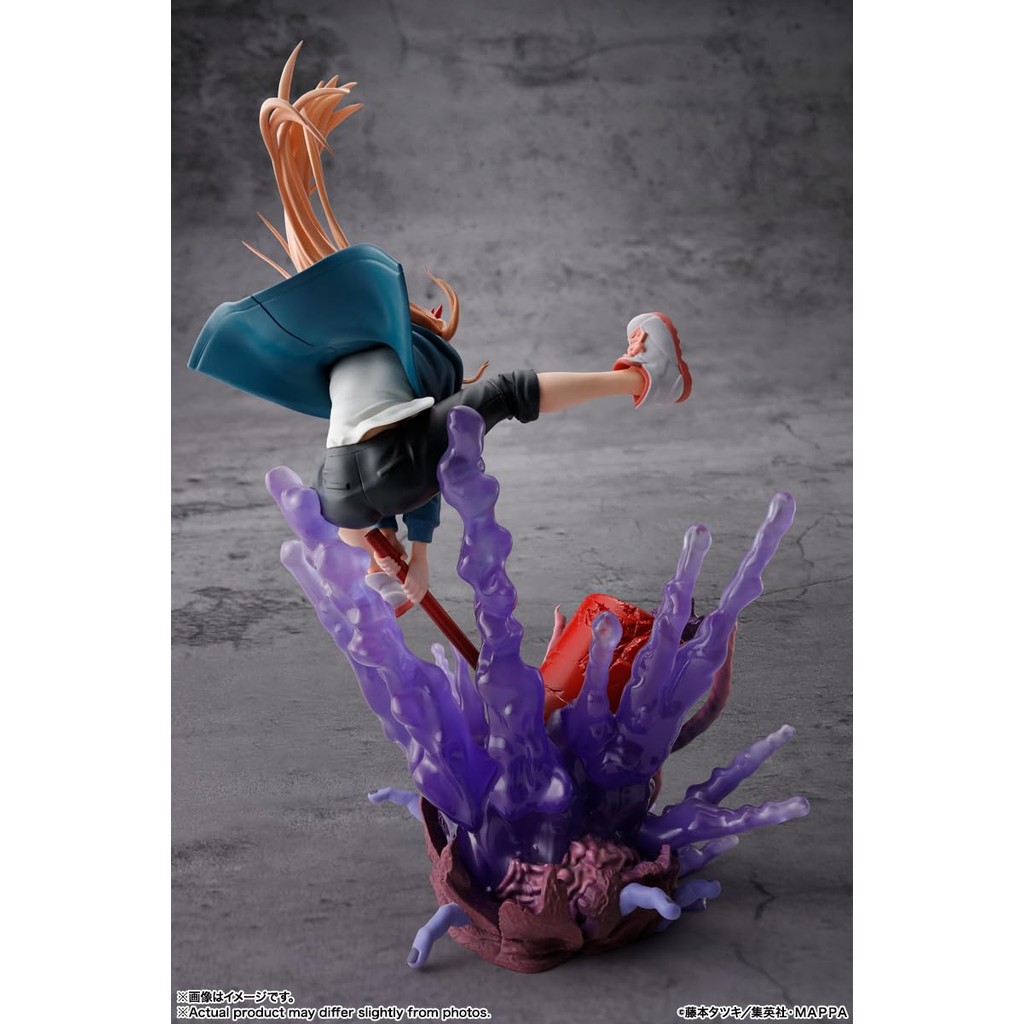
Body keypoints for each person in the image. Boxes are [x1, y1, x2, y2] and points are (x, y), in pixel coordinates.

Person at [188, 44, 692, 607]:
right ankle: (644, 375)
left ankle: (379, 574)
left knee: (402, 458)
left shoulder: (341, 358)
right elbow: (428, 455)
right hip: (378, 474)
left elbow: (418, 450)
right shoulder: (396, 349)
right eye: (427, 313)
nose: (429, 314)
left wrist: (415, 553)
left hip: (339, 490)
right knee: (505, 392)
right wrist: (421, 550)